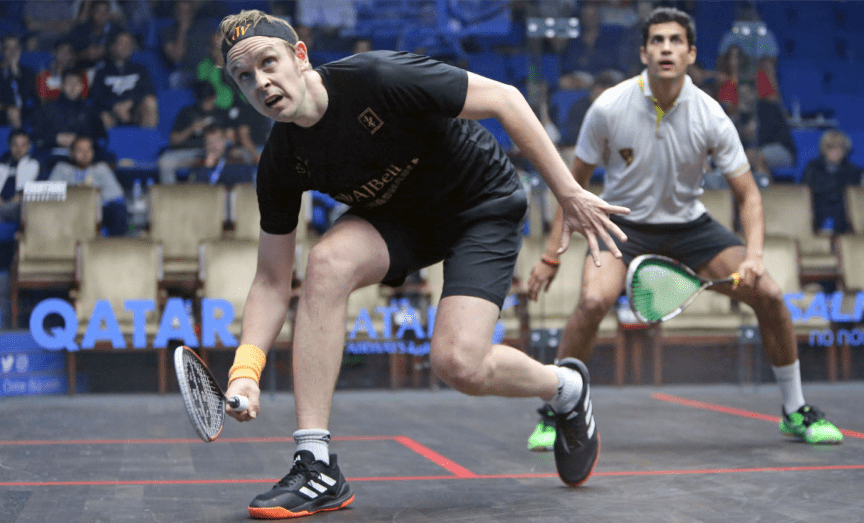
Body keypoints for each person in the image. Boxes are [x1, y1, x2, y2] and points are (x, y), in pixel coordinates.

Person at [217, 9, 622, 519]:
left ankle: (566, 388)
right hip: (399, 220)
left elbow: (505, 99)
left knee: (459, 365)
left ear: (300, 56)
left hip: (479, 205)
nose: (260, 82)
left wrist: (568, 194)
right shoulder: (280, 161)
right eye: (244, 76)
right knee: (326, 262)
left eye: (268, 63)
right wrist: (246, 370)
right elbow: (272, 281)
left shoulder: (378, 77)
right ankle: (315, 464)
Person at [526, 7, 843, 452]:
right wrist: (550, 256)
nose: (666, 49)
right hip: (623, 227)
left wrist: (754, 257)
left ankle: (795, 410)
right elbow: (571, 188)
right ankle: (557, 411)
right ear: (644, 52)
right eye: (657, 41)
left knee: (770, 296)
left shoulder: (711, 115)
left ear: (691, 54)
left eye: (675, 41)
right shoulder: (610, 107)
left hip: (691, 228)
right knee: (593, 301)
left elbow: (749, 195)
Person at [49, 135, 128, 236]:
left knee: (119, 210)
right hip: (69, 211)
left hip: (97, 210)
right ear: (72, 153)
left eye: (88, 150)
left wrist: (94, 193)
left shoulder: (101, 169)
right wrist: (76, 190)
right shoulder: (62, 169)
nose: (85, 154)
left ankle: (114, 243)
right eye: (80, 150)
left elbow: (117, 194)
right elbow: (50, 191)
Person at [801, 129, 864, 235]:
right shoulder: (813, 167)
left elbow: (853, 195)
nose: (835, 151)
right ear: (824, 149)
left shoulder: (850, 169)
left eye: (839, 148)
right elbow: (805, 192)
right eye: (831, 147)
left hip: (842, 212)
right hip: (818, 208)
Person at [157, 81, 232, 184]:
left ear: (214, 98)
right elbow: (173, 141)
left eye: (208, 100)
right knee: (165, 162)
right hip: (191, 152)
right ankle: (170, 193)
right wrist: (191, 128)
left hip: (215, 151)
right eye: (203, 101)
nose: (206, 104)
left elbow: (230, 139)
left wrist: (216, 141)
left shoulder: (221, 114)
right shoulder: (187, 112)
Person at [90, 29, 158, 130]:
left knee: (150, 102)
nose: (126, 47)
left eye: (129, 43)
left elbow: (148, 91)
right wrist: (115, 106)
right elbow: (98, 97)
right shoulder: (102, 72)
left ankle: (149, 138)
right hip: (112, 112)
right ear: (112, 47)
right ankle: (111, 141)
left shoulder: (140, 69)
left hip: (135, 110)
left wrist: (130, 103)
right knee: (103, 116)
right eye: (122, 43)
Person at [30, 68, 107, 156]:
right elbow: (36, 140)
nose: (73, 87)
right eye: (69, 83)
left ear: (82, 86)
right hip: (52, 156)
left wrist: (79, 140)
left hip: (83, 157)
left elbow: (101, 140)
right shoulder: (47, 109)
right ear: (62, 85)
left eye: (76, 83)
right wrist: (55, 139)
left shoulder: (90, 111)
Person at [0, 34, 39, 129]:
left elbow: (27, 96)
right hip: (1, 111)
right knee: (13, 112)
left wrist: (16, 72)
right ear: (2, 50)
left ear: (20, 50)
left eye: (15, 48)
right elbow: (0, 97)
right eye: (8, 48)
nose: (12, 51)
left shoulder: (28, 72)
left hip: (25, 111)